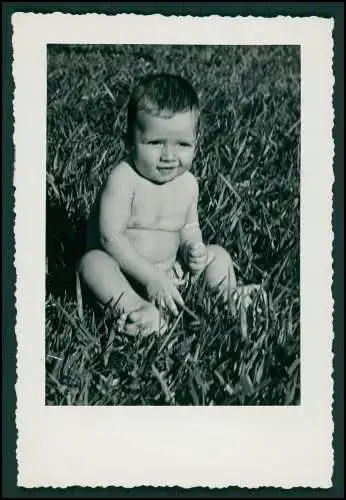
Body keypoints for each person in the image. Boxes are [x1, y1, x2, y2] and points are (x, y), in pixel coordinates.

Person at [78, 73, 260, 336]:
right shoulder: (123, 179)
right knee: (92, 264)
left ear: (196, 142)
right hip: (125, 274)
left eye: (182, 144)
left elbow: (188, 225)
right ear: (128, 140)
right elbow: (110, 238)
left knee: (217, 254)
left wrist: (192, 248)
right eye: (154, 143)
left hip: (171, 272)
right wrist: (151, 278)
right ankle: (137, 309)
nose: (169, 156)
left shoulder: (188, 184)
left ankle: (229, 296)